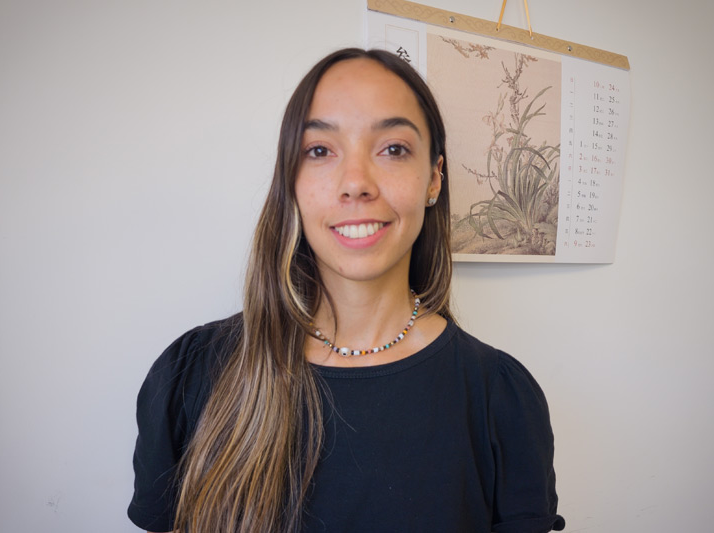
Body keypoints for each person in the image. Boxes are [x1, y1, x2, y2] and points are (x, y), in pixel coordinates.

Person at [128, 48, 565, 533]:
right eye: (319, 151)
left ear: (434, 178)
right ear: (290, 180)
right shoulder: (189, 376)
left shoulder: (500, 399)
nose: (355, 183)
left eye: (393, 149)